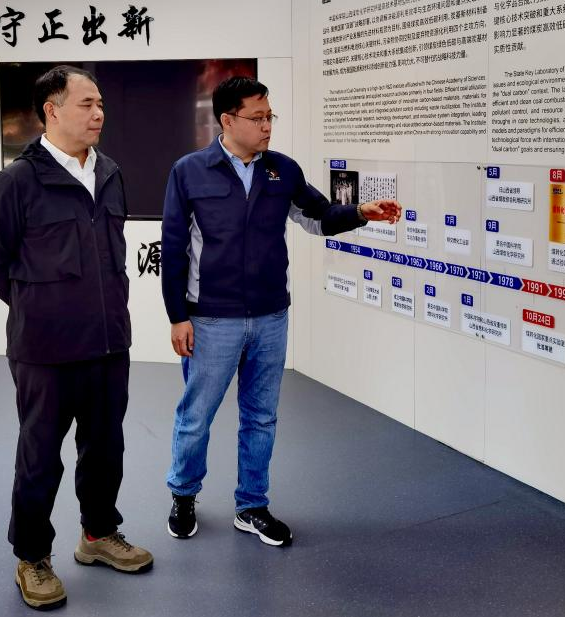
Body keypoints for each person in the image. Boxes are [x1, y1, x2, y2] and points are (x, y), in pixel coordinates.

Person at [161, 76, 401, 547]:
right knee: (196, 415)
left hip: (271, 317)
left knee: (261, 416)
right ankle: (184, 495)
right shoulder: (189, 171)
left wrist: (361, 213)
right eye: (257, 117)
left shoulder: (283, 170)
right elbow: (173, 247)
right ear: (227, 120)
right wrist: (177, 316)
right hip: (210, 318)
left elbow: (319, 216)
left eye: (270, 115)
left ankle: (252, 506)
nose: (267, 125)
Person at [0, 66, 152, 610]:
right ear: (51, 111)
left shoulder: (111, 173)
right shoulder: (14, 183)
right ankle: (32, 556)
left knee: (105, 449)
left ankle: (98, 534)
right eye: (86, 104)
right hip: (44, 349)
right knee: (40, 457)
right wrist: (42, 309)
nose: (99, 113)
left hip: (108, 343)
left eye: (100, 104)